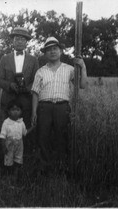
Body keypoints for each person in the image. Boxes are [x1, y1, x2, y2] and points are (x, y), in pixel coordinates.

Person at [31, 37, 88, 177]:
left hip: (62, 107)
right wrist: (34, 112)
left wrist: (83, 66)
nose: (52, 52)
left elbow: (82, 85)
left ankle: (61, 169)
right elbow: (35, 93)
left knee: (61, 138)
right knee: (43, 138)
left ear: (61, 51)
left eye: (55, 49)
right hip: (44, 107)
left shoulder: (69, 69)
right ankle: (44, 170)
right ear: (45, 53)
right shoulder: (40, 71)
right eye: (49, 50)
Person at [0, 27, 39, 154]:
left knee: (24, 129)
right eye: (17, 39)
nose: (19, 41)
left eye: (22, 39)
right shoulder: (4, 58)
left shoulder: (34, 60)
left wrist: (26, 88)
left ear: (26, 42)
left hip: (25, 101)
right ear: (13, 41)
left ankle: (24, 158)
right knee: (7, 130)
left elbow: (36, 80)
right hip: (8, 101)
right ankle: (7, 157)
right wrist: (10, 85)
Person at [0, 99, 34, 182]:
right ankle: (8, 176)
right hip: (9, 145)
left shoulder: (21, 123)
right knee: (9, 161)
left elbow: (24, 133)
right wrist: (4, 147)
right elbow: (2, 136)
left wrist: (32, 127)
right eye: (13, 110)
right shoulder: (6, 122)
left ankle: (15, 176)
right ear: (8, 111)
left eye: (18, 110)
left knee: (18, 160)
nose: (15, 112)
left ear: (21, 111)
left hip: (19, 145)